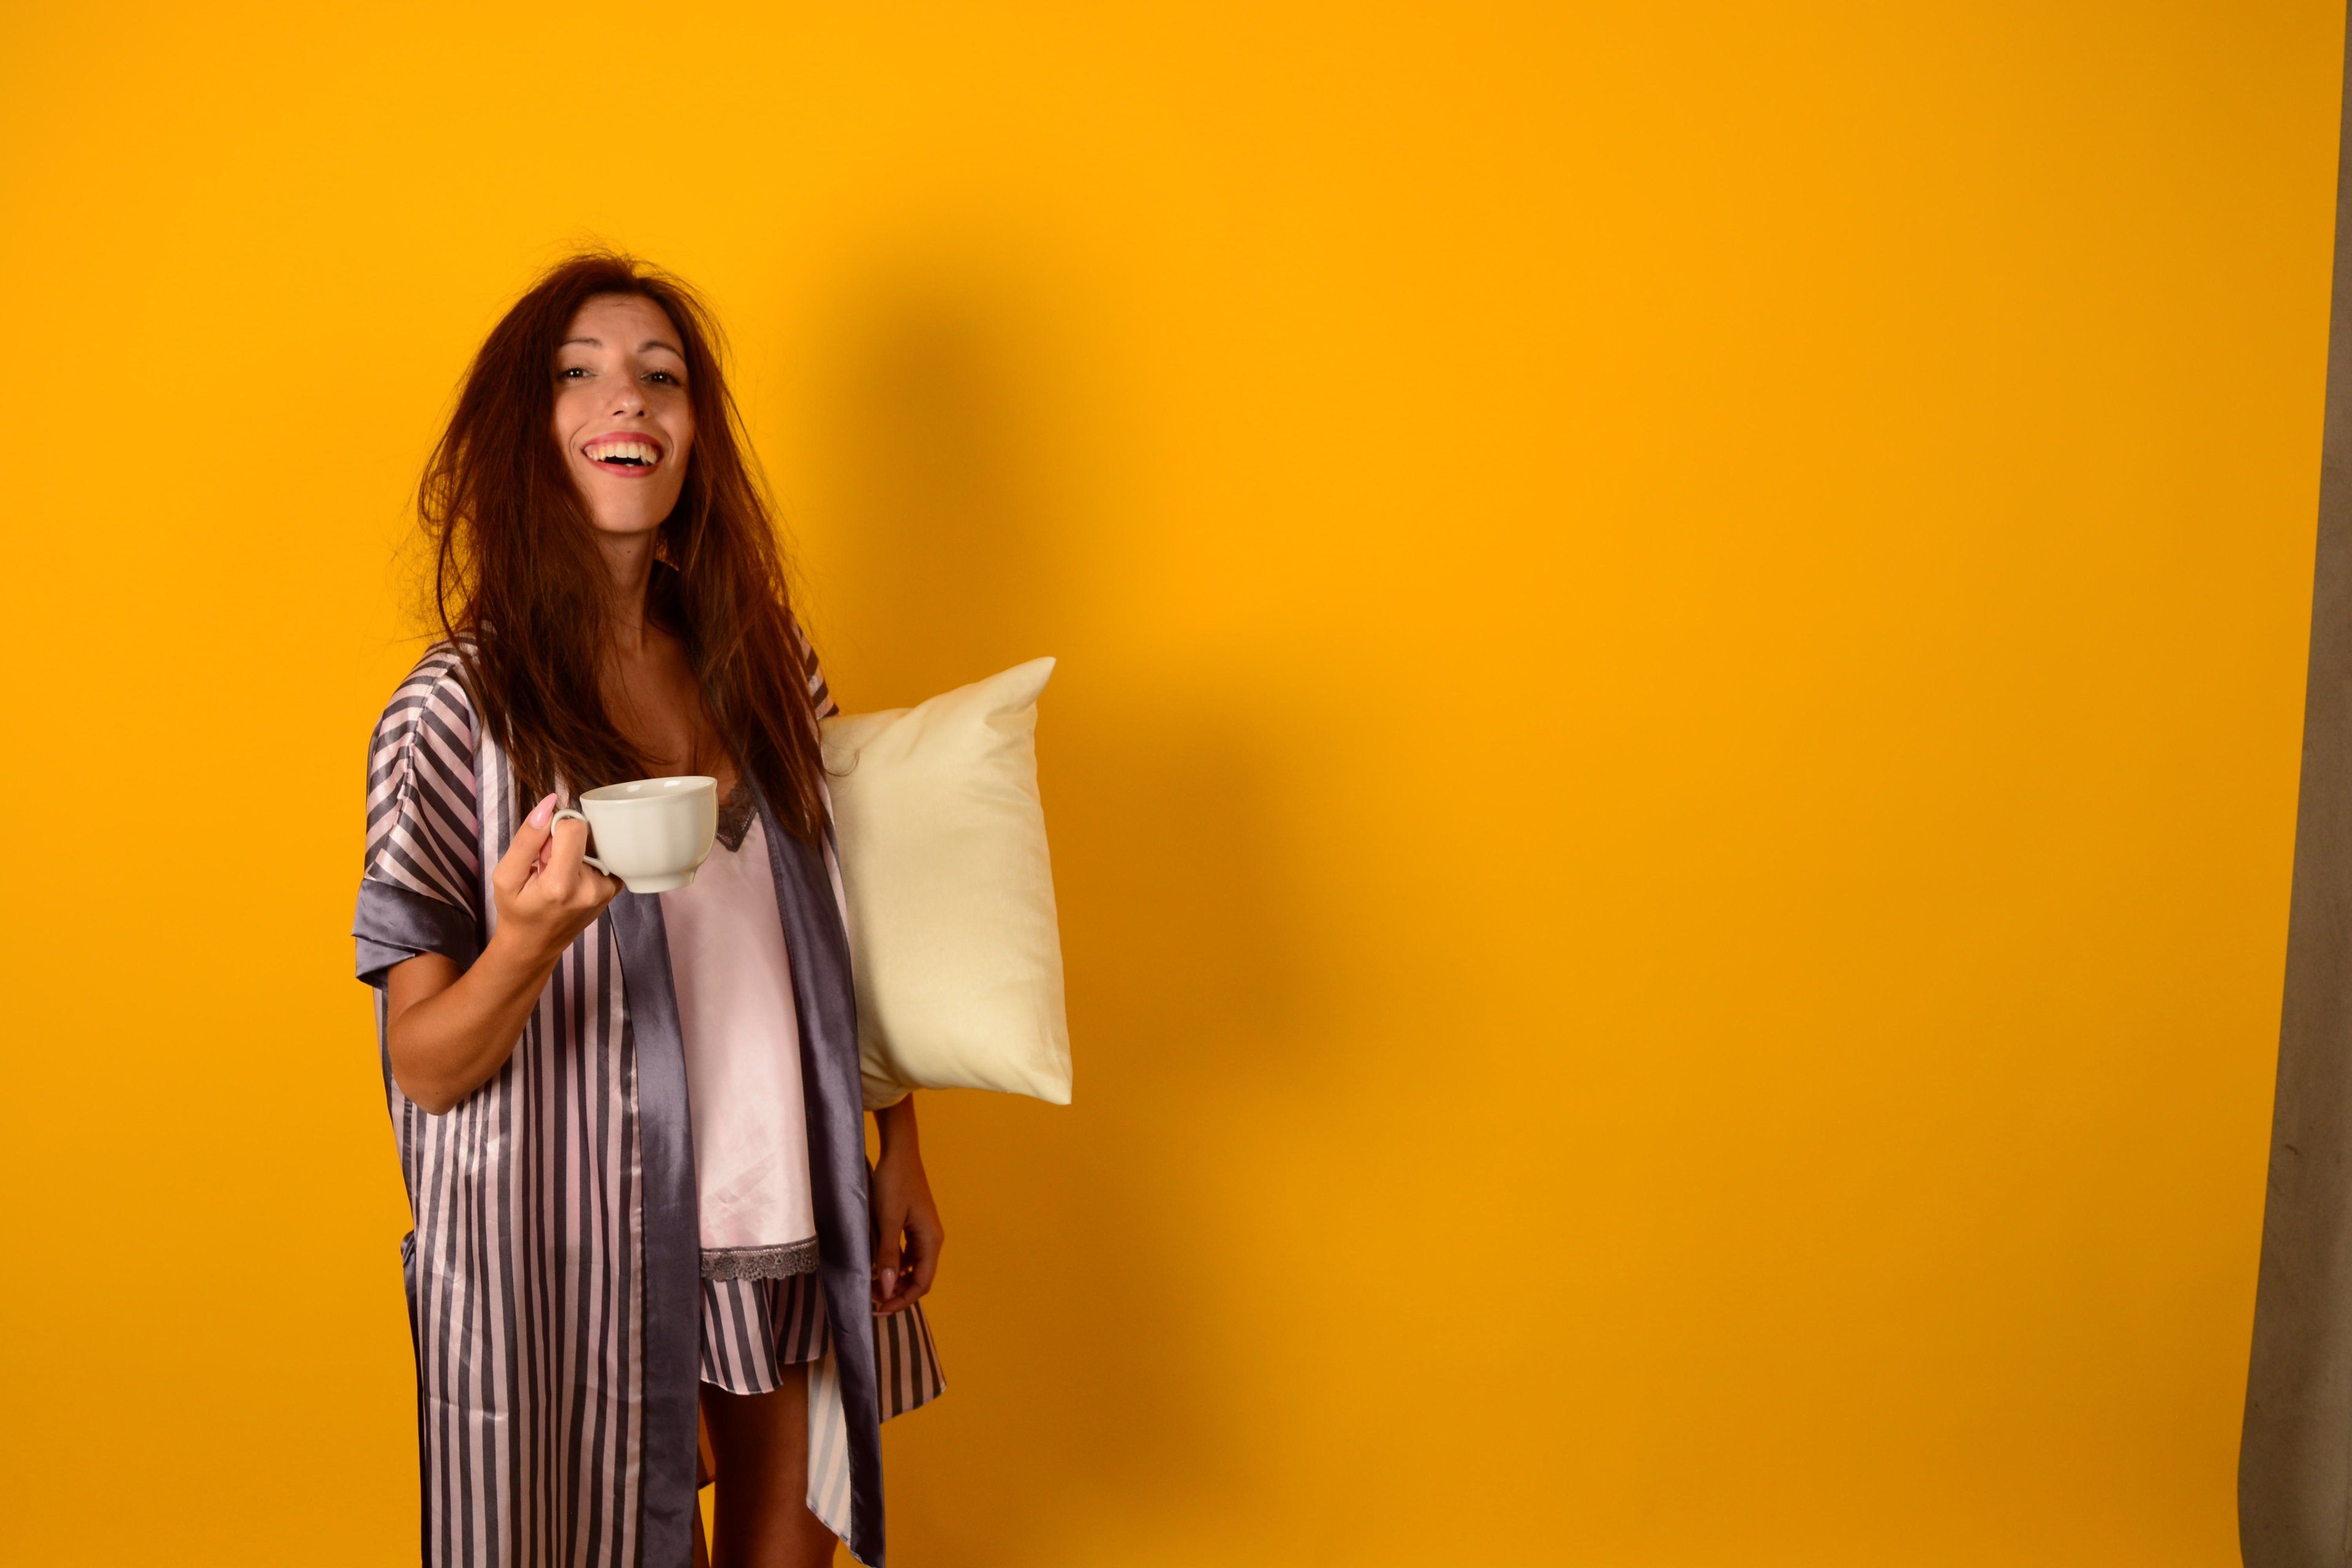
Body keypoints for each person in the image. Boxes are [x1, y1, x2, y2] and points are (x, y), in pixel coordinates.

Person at [353, 253, 945, 1568]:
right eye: (579, 371)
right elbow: (426, 1065)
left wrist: (897, 1142)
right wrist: (523, 943)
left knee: (789, 1553)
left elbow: (856, 923)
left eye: (660, 374)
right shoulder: (457, 708)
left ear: (694, 437)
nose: (628, 398)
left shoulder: (764, 656)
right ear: (528, 432)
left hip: (779, 1198)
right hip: (576, 1239)